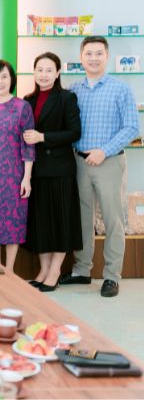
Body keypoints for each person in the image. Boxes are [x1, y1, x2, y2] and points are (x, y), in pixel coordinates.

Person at [59, 36, 139, 297]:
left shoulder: (120, 89)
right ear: (81, 57)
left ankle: (112, 276)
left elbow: (132, 127)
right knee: (82, 219)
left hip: (109, 162)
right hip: (79, 162)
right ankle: (82, 270)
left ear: (107, 56)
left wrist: (104, 150)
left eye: (98, 53)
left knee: (113, 219)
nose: (93, 58)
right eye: (89, 53)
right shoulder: (73, 89)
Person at [22, 52, 82, 292]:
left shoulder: (67, 98)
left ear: (57, 73)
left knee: (60, 221)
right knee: (42, 223)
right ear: (34, 72)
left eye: (49, 70)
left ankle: (55, 270)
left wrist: (42, 137)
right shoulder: (28, 100)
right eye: (40, 70)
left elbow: (74, 133)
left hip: (59, 169)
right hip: (36, 170)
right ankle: (43, 270)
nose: (44, 75)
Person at [0, 60, 35, 272]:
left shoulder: (22, 107)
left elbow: (28, 144)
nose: (0, 81)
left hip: (14, 175)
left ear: (12, 80)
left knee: (14, 221)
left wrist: (27, 177)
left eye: (4, 77)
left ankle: (9, 270)